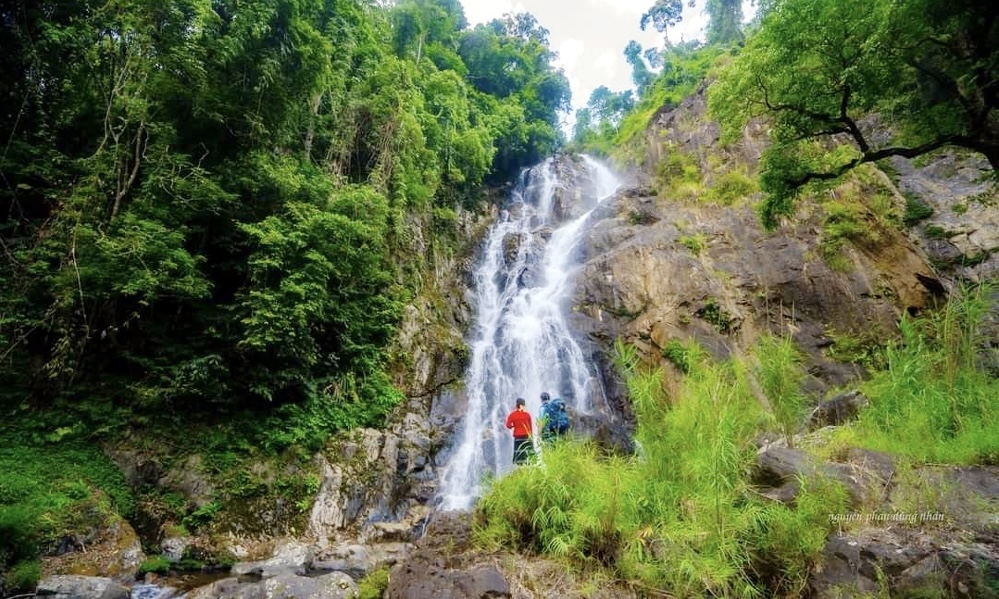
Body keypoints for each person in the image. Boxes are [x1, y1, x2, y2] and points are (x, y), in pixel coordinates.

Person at [505, 397, 534, 465]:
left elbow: (508, 425)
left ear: (516, 405)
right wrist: (531, 436)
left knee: (519, 452)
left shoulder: (512, 415)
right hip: (527, 436)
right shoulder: (527, 415)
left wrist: (514, 426)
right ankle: (528, 465)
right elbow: (530, 428)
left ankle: (520, 466)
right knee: (527, 451)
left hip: (518, 437)